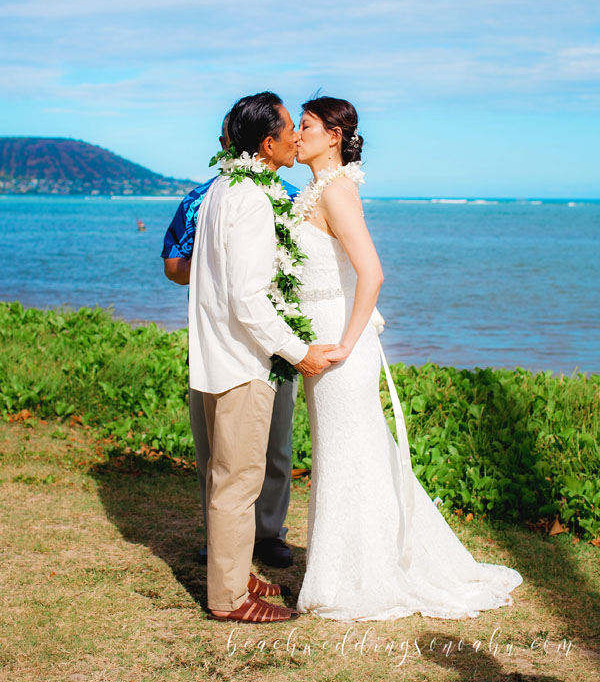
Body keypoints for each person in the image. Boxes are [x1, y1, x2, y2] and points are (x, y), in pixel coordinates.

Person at [292, 96, 523, 620]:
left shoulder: (339, 191)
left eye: (305, 126)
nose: (296, 134)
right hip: (321, 338)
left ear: (332, 135)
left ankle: (364, 573)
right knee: (342, 454)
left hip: (339, 344)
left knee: (354, 453)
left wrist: (349, 343)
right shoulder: (312, 192)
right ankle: (343, 564)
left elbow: (371, 273)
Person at [188, 91, 334, 623]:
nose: (299, 136)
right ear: (268, 142)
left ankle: (230, 572)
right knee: (238, 480)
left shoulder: (225, 187)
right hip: (240, 363)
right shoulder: (250, 199)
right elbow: (248, 298)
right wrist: (298, 352)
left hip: (213, 355)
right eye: (292, 128)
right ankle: (228, 599)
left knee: (225, 476)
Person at [162, 115, 299, 569]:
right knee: (218, 452)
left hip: (275, 339)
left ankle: (266, 533)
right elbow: (174, 265)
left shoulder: (293, 199)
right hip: (222, 341)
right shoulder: (201, 198)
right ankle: (224, 541)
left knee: (275, 444)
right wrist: (217, 264)